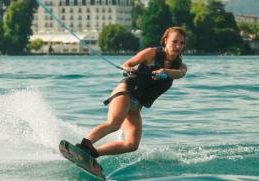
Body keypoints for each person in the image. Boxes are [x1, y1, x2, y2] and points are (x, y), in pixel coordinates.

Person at [77, 26, 188, 159]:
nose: (178, 46)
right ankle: (84, 145)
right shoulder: (151, 53)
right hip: (126, 92)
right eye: (174, 41)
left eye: (181, 43)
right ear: (165, 40)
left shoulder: (180, 66)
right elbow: (127, 64)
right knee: (114, 124)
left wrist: (165, 71)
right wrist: (128, 69)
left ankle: (93, 154)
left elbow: (180, 74)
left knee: (132, 144)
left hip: (136, 106)